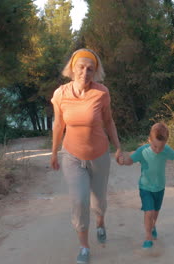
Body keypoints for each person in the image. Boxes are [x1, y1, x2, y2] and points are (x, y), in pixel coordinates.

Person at [50, 48, 122, 264]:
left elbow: (109, 121)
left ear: (95, 72)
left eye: (90, 69)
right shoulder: (60, 94)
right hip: (72, 155)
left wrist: (118, 146)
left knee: (98, 201)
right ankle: (84, 246)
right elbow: (58, 125)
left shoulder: (101, 93)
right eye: (81, 67)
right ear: (72, 69)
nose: (85, 72)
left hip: (99, 154)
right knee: (79, 200)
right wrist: (54, 152)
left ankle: (100, 222)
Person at [117, 123, 174, 249]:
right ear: (149, 140)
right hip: (145, 187)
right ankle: (147, 237)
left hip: (160, 188)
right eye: (155, 146)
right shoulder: (143, 151)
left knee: (155, 213)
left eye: (160, 147)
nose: (157, 150)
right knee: (149, 211)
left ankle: (153, 226)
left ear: (165, 143)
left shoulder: (166, 150)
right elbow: (130, 161)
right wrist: (122, 161)